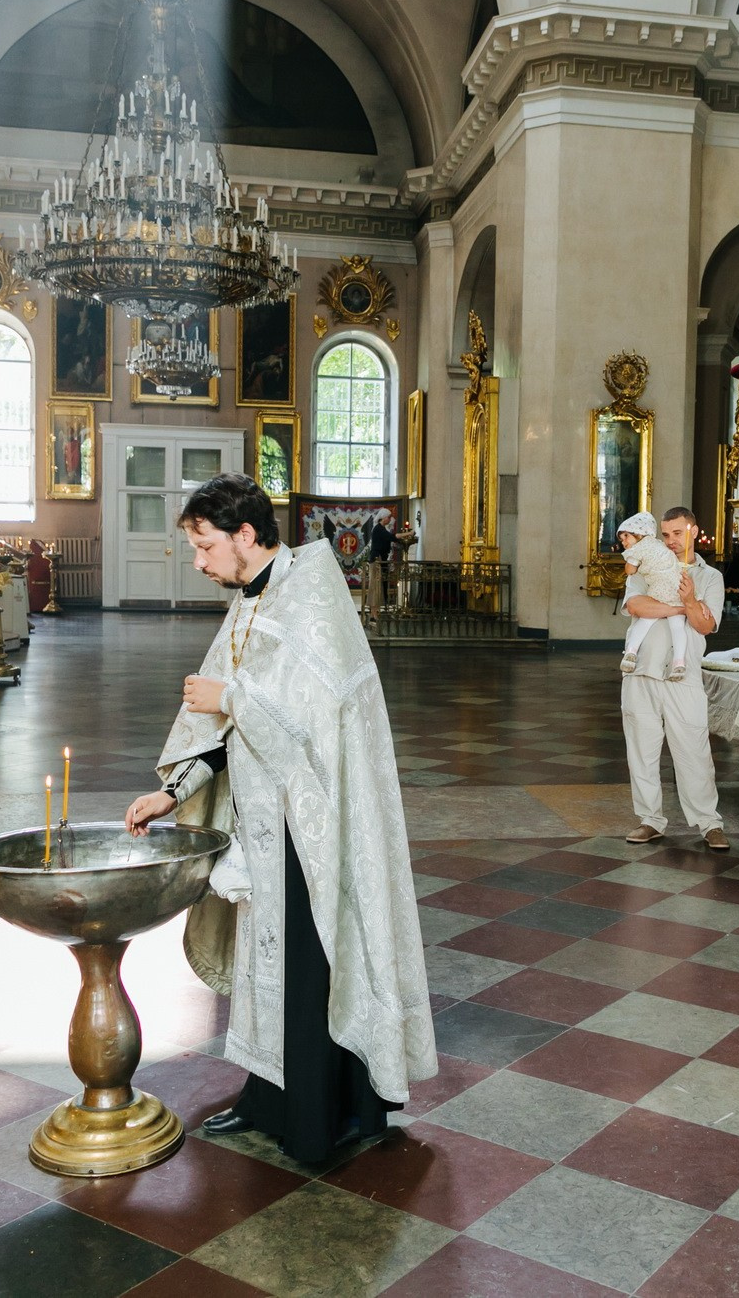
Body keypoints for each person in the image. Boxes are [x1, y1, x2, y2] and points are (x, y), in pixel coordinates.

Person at [124, 473, 436, 1164]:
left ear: (244, 534)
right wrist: (172, 793)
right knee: (270, 964)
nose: (200, 562)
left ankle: (326, 1111)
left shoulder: (312, 593)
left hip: (313, 824)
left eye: (206, 546)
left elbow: (316, 722)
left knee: (312, 962)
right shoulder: (249, 601)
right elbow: (223, 729)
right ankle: (268, 1097)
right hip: (261, 820)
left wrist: (229, 696)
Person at [619, 507, 730, 850]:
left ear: (693, 531)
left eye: (677, 533)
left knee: (694, 751)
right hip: (640, 674)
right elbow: (637, 606)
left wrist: (689, 599)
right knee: (642, 750)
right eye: (665, 534)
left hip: (685, 677)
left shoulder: (710, 577)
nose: (670, 541)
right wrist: (681, 608)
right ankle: (650, 820)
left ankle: (709, 823)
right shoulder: (647, 565)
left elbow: (706, 625)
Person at [616, 512, 686, 679]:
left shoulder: (638, 549)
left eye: (626, 536)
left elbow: (630, 570)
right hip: (676, 587)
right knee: (678, 628)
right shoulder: (659, 544)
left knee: (646, 620)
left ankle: (630, 653)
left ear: (639, 533)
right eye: (621, 539)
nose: (624, 542)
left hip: (660, 589)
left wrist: (631, 565)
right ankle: (679, 663)